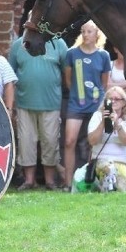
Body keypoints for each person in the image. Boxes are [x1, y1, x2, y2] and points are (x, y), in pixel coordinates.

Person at [8, 31, 67, 190]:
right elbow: (10, 76)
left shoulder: (58, 43)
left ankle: (50, 181)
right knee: (26, 142)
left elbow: (67, 69)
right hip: (24, 103)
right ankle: (29, 181)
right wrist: (11, 105)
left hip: (51, 103)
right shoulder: (17, 45)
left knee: (50, 141)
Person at [63, 21, 110, 190]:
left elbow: (105, 84)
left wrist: (98, 102)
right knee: (69, 141)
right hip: (76, 104)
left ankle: (92, 179)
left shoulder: (103, 56)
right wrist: (78, 94)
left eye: (89, 31)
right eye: (83, 31)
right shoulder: (72, 54)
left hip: (96, 105)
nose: (86, 34)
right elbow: (68, 80)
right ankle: (68, 182)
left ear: (97, 34)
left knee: (95, 142)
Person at [85, 86, 126, 192]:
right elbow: (92, 141)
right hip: (101, 162)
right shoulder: (97, 116)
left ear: (124, 102)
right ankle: (109, 184)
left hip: (123, 163)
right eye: (110, 99)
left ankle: (112, 185)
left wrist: (118, 125)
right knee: (109, 169)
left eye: (117, 99)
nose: (113, 101)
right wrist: (103, 123)